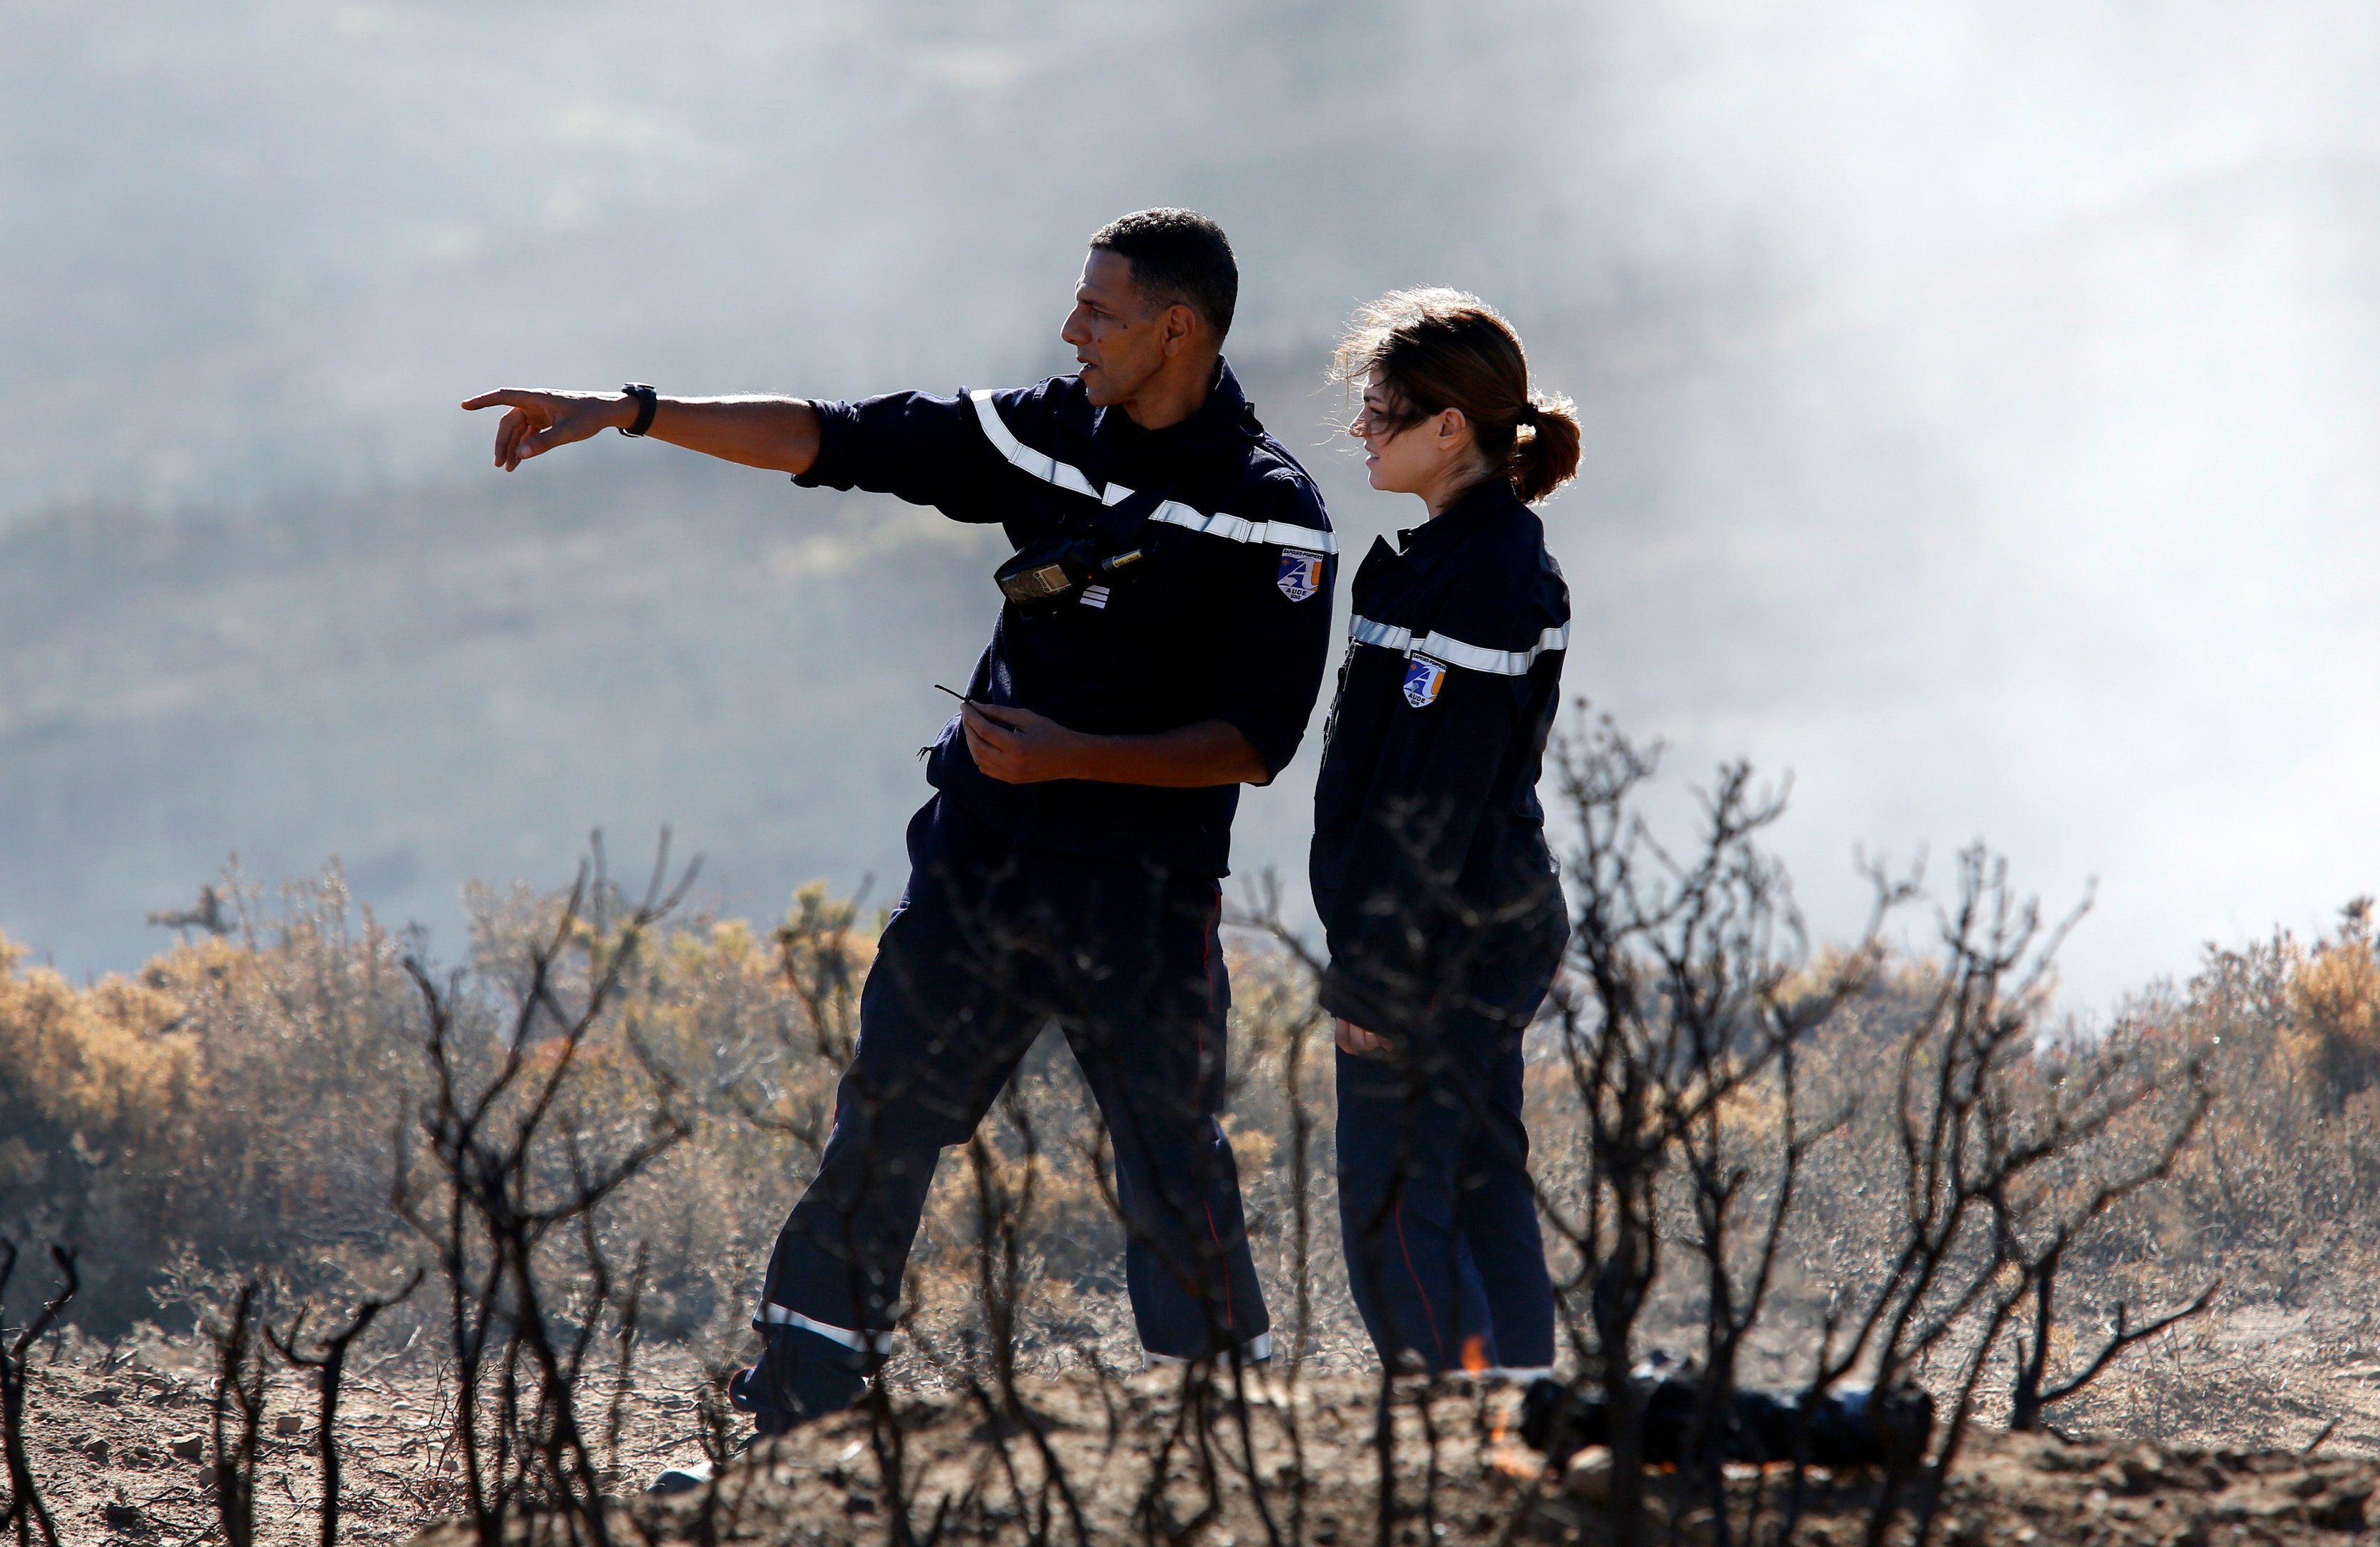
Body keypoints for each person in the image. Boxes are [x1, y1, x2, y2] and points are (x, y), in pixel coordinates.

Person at [463, 209, 1335, 1453]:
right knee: (884, 1121)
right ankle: (796, 1421)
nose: (1071, 329)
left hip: (1142, 898)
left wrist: (1075, 757)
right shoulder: (1043, 433)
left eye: (1099, 311)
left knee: (1167, 1154)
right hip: (978, 865)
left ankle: (1225, 1434)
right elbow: (837, 438)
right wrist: (633, 409)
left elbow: (1258, 739)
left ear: (1176, 328)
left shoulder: (1273, 514)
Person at [1307, 289, 1580, 1380]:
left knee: (1391, 1207)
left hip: (1438, 940)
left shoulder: (1489, 579)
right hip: (1475, 923)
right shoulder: (1452, 557)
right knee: (1476, 1180)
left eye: (1380, 409)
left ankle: (1462, 1436)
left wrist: (1377, 975)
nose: (1362, 430)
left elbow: (1435, 795)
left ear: (1447, 427)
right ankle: (1524, 1425)